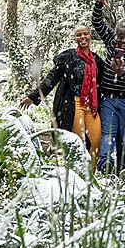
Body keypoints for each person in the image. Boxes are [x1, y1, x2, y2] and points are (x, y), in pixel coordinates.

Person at [19, 25, 106, 165]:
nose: (82, 37)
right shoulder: (67, 57)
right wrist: (34, 96)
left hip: (92, 105)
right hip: (73, 104)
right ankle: (75, 173)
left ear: (90, 36)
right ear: (75, 39)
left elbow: (103, 83)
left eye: (85, 34)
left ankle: (91, 176)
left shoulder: (97, 60)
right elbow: (51, 78)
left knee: (96, 141)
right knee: (77, 141)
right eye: (78, 35)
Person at [92, 0, 125, 173]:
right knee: (108, 134)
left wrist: (120, 71)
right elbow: (98, 24)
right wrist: (98, 5)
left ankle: (121, 169)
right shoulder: (111, 43)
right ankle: (105, 167)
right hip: (109, 101)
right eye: (121, 37)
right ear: (116, 36)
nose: (124, 41)